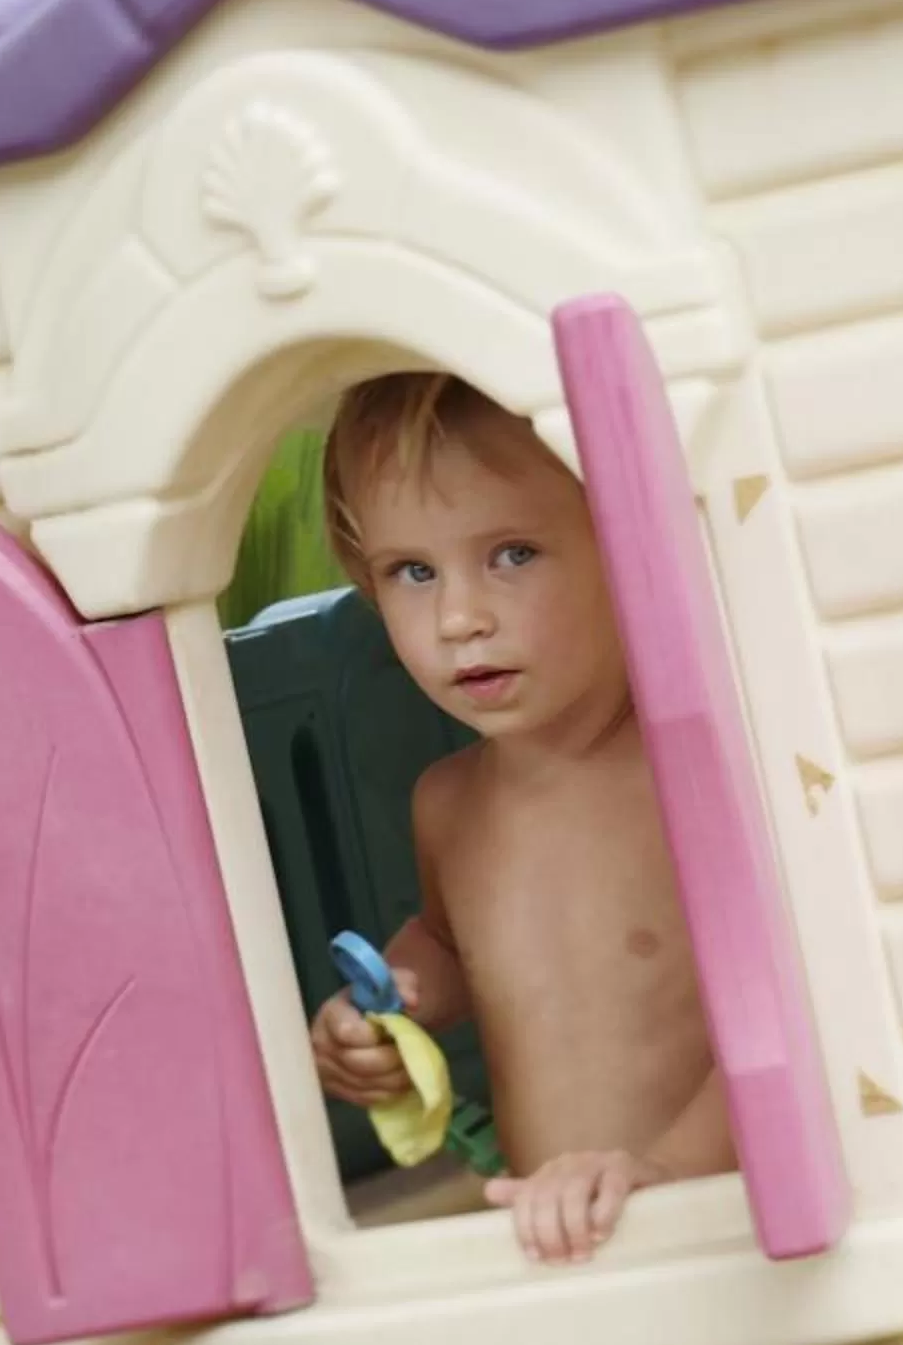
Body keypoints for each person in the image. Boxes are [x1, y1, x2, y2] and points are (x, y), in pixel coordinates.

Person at [309, 372, 731, 1264]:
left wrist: (666, 1171)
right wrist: (386, 1009)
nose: (459, 618)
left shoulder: (692, 778)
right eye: (412, 573)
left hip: (705, 1221)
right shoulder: (449, 800)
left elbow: (799, 1012)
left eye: (512, 555)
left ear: (631, 546)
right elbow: (457, 946)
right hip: (552, 1226)